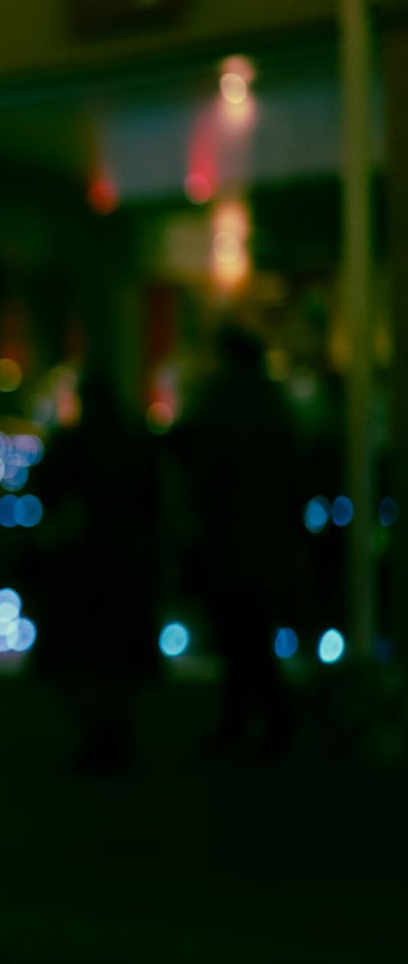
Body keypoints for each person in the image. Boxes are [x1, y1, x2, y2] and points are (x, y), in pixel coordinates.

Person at [172, 323, 297, 757]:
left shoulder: (224, 400)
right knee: (252, 633)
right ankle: (258, 723)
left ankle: (258, 724)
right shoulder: (271, 402)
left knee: (240, 635)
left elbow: (205, 461)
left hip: (232, 535)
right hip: (263, 535)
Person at [29, 370, 162, 774]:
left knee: (74, 657)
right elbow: (153, 501)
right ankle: (114, 734)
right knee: (117, 658)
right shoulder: (135, 443)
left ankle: (100, 736)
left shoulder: (76, 443)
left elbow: (45, 487)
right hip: (127, 561)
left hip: (84, 559)